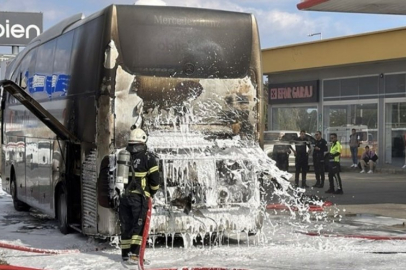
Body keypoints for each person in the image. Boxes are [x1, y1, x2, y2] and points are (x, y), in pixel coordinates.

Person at [119, 128, 160, 264]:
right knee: (139, 226)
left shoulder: (123, 155)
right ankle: (134, 255)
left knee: (126, 225)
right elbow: (155, 182)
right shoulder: (148, 158)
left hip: (123, 197)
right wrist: (151, 193)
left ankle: (125, 254)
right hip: (139, 199)